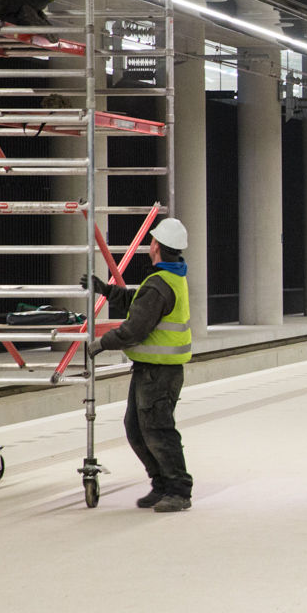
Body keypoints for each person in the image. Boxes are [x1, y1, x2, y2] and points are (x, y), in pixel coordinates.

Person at [87, 217, 194, 511]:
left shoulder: (160, 284)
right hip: (152, 369)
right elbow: (139, 301)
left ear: (156, 246)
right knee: (137, 429)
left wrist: (101, 343)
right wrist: (106, 290)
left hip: (159, 373)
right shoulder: (168, 278)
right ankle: (161, 485)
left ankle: (179, 490)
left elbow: (135, 328)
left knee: (158, 430)